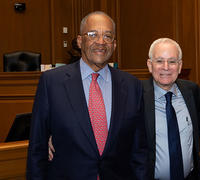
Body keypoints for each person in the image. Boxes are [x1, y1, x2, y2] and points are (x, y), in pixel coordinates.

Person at [27, 11, 149, 180]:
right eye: (93, 34)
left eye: (108, 36)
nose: (101, 42)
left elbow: (139, 150)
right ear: (79, 41)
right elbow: (37, 148)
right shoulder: (52, 82)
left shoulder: (132, 85)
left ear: (114, 45)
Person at [143, 38, 200, 180]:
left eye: (172, 61)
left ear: (180, 66)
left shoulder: (191, 91)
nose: (166, 67)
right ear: (150, 65)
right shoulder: (136, 96)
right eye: (159, 61)